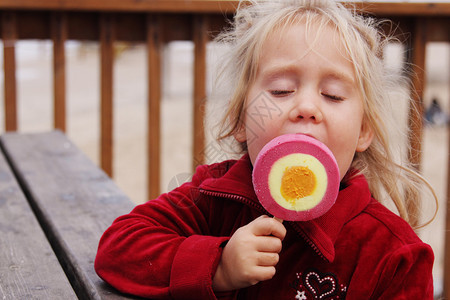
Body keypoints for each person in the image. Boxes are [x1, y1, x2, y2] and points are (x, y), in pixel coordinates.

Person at [95, 0, 438, 299]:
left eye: (332, 94)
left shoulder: (393, 256)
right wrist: (218, 265)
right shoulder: (213, 198)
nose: (306, 106)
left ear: (364, 130)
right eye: (281, 90)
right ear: (242, 120)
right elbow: (118, 248)